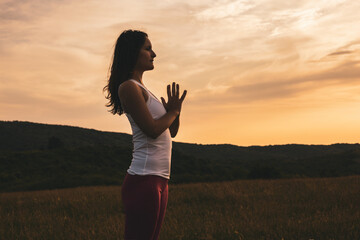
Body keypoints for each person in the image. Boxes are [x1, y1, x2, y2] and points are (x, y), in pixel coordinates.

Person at [103, 29, 187, 240]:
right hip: (143, 180)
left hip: (160, 180)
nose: (154, 54)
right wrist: (173, 112)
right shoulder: (128, 87)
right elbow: (152, 130)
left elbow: (171, 132)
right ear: (133, 53)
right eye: (148, 49)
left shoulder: (144, 89)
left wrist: (174, 113)